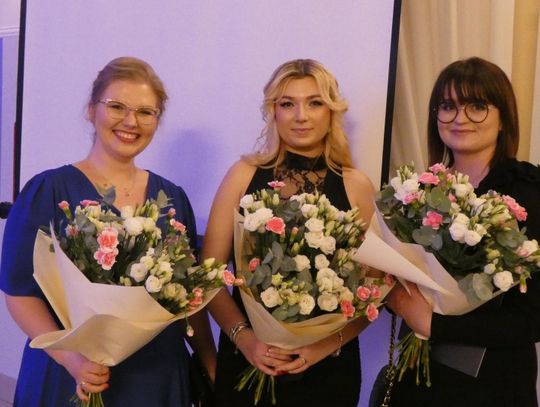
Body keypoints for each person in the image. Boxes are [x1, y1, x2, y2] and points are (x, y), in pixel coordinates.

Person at [0, 56, 216, 406]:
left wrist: (208, 358)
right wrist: (72, 361)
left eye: (146, 112)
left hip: (155, 373)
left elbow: (188, 295)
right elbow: (20, 293)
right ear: (91, 110)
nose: (131, 122)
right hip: (68, 372)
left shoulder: (174, 198)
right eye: (117, 106)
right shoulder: (48, 190)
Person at [203, 58, 377, 406]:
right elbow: (208, 274)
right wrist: (245, 339)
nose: (301, 116)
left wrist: (322, 347)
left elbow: (373, 293)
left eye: (314, 103)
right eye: (287, 104)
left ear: (331, 111)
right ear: (273, 111)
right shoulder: (242, 174)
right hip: (248, 360)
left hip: (329, 369)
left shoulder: (357, 185)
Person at [384, 57, 540, 407]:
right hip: (419, 380)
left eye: (477, 106)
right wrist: (393, 296)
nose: (460, 117)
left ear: (504, 118)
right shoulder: (417, 193)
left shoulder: (529, 191)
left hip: (494, 384)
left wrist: (434, 324)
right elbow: (400, 284)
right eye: (448, 106)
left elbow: (533, 317)